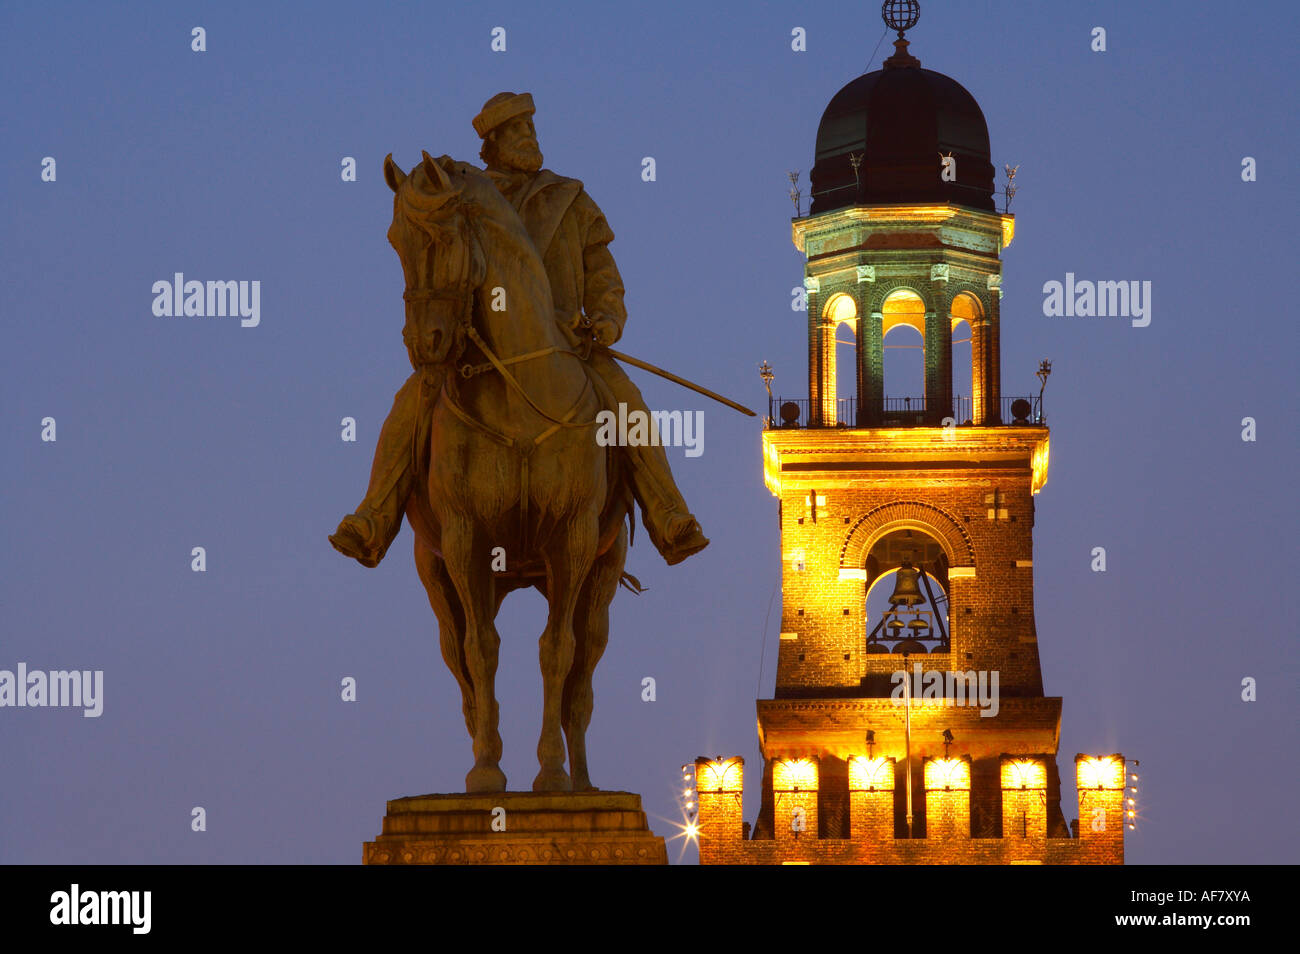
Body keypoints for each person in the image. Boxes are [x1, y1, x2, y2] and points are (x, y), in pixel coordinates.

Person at [329, 92, 709, 569]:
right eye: (515, 131)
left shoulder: (570, 199)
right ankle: (374, 514)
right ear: (492, 144)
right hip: (480, 350)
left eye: (530, 127)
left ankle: (669, 513)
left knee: (626, 404)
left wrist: (606, 321)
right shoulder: (467, 199)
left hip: (570, 344)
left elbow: (602, 272)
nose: (527, 137)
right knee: (413, 401)